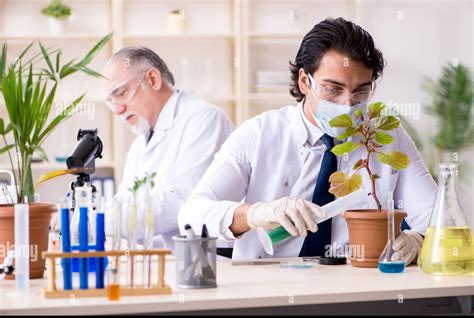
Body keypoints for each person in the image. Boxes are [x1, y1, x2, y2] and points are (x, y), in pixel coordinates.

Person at [178, 18, 437, 263]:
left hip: (357, 283)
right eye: (333, 89)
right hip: (269, 287)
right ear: (304, 81)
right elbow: (191, 216)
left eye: (360, 91)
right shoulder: (259, 134)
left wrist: (419, 238)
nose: (347, 104)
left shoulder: (385, 137)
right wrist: (255, 214)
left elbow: (439, 217)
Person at [105, 46, 233, 250]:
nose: (118, 109)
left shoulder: (204, 119)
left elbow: (181, 202)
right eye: (112, 102)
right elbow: (124, 202)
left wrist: (98, 222)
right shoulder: (141, 141)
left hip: (205, 261)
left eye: (121, 93)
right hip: (159, 261)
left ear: (152, 79)